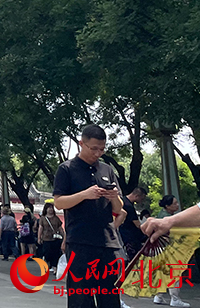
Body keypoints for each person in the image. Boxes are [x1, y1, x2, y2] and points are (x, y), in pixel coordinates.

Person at [53, 124, 124, 308]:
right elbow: (59, 202)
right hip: (80, 242)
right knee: (81, 297)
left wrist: (114, 196)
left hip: (107, 242)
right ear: (81, 144)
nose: (98, 153)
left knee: (110, 296)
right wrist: (84, 194)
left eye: (102, 149)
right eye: (93, 149)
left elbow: (119, 208)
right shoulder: (66, 169)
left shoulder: (107, 170)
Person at [149, 195, 188, 307]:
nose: (177, 205)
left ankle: (159, 295)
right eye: (174, 203)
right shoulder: (167, 219)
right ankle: (174, 298)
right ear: (167, 206)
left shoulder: (163, 216)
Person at [114, 185, 147, 261]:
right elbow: (137, 224)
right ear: (137, 196)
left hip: (122, 234)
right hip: (130, 237)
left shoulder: (121, 201)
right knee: (134, 259)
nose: (142, 201)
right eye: (142, 198)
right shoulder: (129, 206)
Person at [37, 202, 64, 268]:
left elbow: (60, 228)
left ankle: (54, 265)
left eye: (52, 208)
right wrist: (39, 238)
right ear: (46, 209)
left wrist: (63, 236)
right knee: (47, 252)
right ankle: (48, 262)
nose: (50, 209)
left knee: (55, 252)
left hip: (55, 238)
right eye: (49, 208)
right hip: (46, 238)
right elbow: (40, 228)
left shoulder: (56, 218)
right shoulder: (43, 218)